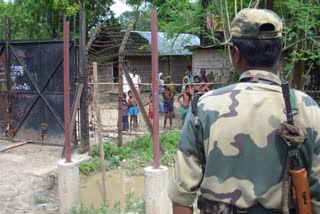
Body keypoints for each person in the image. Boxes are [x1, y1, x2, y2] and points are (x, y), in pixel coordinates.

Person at [169, 8, 320, 214]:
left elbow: (182, 196)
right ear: (277, 53)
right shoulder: (306, 107)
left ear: (236, 54)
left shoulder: (204, 106)